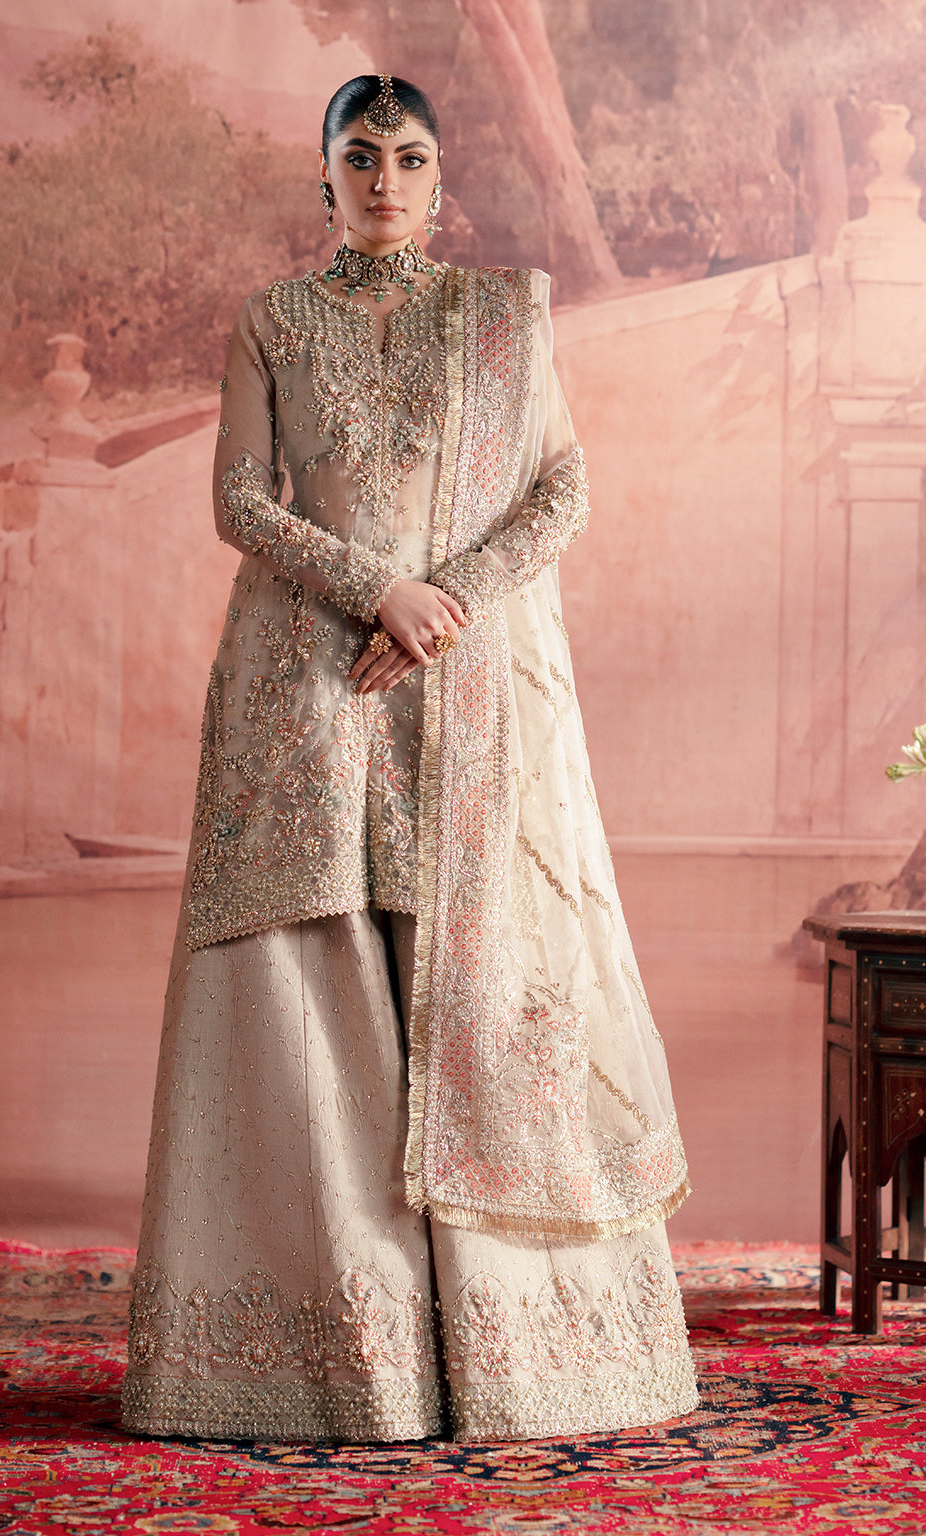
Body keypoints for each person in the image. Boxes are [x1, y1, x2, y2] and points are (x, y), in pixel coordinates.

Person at [122, 73, 698, 1444]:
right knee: (316, 979)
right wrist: (380, 593)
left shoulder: (503, 316)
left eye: (412, 156)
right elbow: (241, 500)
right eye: (362, 154)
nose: (386, 178)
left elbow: (563, 485)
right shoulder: (273, 319)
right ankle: (343, 1358)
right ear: (324, 174)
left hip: (466, 682)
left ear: (443, 180)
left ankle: (512, 1357)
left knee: (476, 975)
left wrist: (447, 605)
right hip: (309, 685)